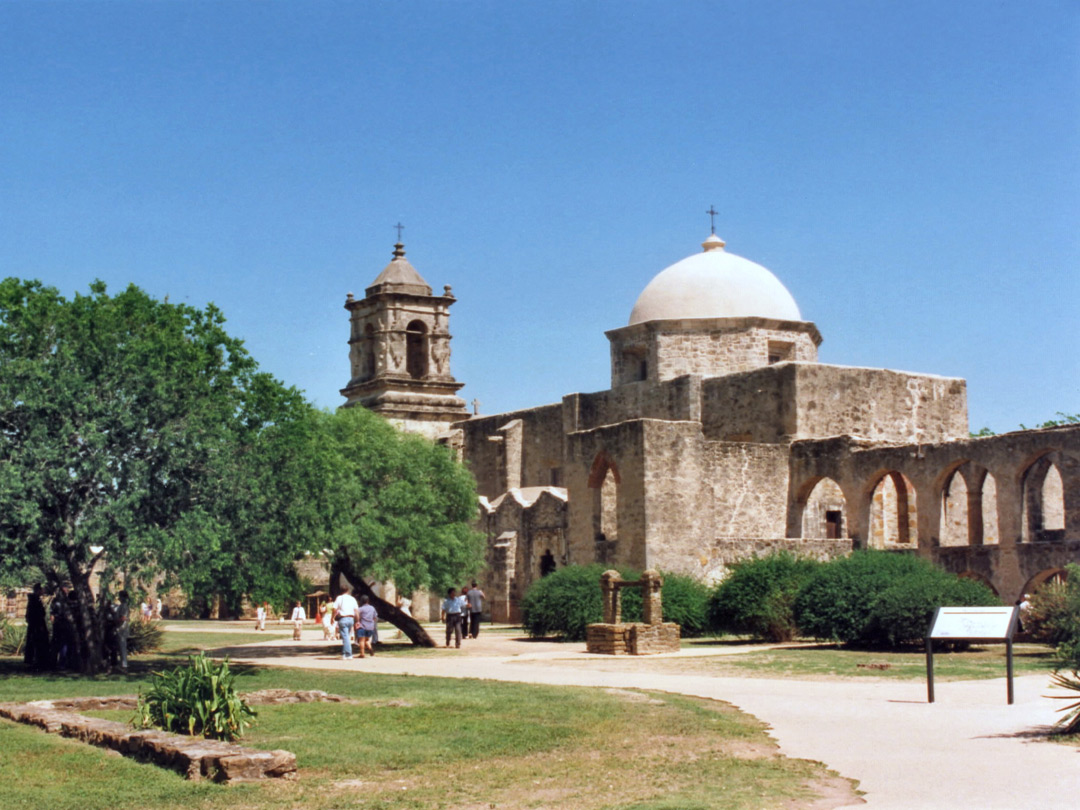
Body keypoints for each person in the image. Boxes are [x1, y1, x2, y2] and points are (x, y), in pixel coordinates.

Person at [23, 584, 51, 671]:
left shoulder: (36, 600)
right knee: (36, 644)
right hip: (36, 626)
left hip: (37, 625)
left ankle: (39, 662)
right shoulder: (34, 601)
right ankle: (35, 662)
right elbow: (36, 614)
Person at [332, 586, 360, 659]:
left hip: (343, 618)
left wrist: (332, 617)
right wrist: (357, 620)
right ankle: (344, 653)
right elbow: (356, 611)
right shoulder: (352, 599)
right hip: (351, 618)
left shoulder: (339, 598)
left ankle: (349, 654)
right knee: (346, 636)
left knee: (345, 636)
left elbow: (334, 609)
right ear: (348, 590)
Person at [113, 590, 131, 671]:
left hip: (121, 629)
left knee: (122, 647)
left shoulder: (124, 606)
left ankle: (124, 665)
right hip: (120, 629)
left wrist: (115, 621)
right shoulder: (121, 606)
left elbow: (123, 618)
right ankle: (121, 664)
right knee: (120, 647)